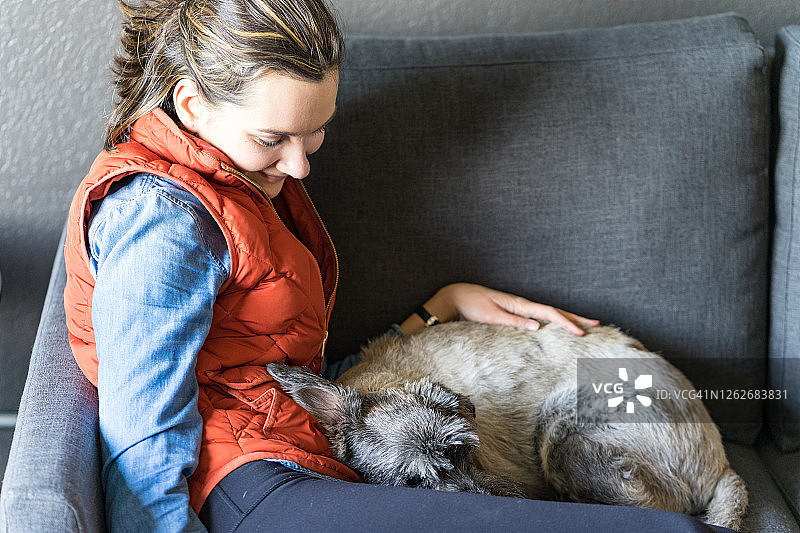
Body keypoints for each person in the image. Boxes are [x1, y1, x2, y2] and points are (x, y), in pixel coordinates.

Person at [62, 0, 734, 531]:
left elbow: (267, 363)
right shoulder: (160, 220)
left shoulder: (239, 182)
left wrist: (438, 307)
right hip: (250, 483)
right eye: (274, 139)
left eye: (314, 132)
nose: (300, 166)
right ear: (190, 104)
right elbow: (142, 435)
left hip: (301, 452)